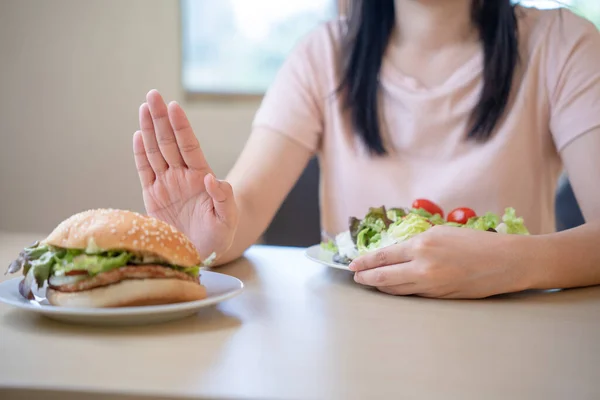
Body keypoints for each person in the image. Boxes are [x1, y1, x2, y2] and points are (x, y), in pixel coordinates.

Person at [131, 0, 600, 299]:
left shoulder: (563, 45)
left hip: (516, 344)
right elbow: (244, 207)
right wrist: (211, 237)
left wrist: (513, 262)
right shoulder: (321, 55)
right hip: (354, 351)